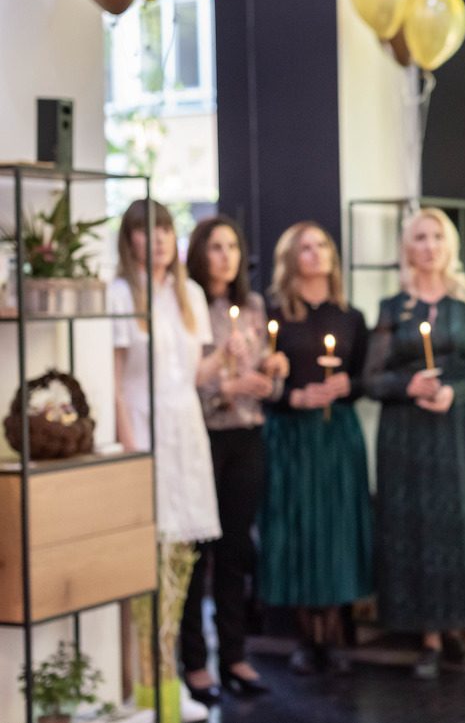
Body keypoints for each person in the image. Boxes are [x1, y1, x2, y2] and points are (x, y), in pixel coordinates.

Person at [364, 207, 465, 679]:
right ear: (408, 247)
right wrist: (407, 385)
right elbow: (372, 378)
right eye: (420, 238)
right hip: (408, 435)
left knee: (460, 526)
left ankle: (458, 629)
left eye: (437, 237)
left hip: (462, 430)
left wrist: (453, 392)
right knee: (415, 527)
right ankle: (426, 635)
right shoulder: (393, 308)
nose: (429, 246)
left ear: (450, 246)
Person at [110, 199, 223, 723]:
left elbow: (195, 375)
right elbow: (114, 378)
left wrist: (230, 357)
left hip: (186, 431)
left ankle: (170, 681)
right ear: (129, 238)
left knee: (182, 556)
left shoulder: (190, 294)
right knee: (147, 554)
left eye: (164, 229)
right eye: (145, 230)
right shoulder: (119, 293)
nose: (156, 239)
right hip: (142, 427)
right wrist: (131, 446)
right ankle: (144, 685)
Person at [180, 215, 289, 702]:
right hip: (203, 436)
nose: (225, 257)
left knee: (236, 549)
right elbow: (180, 381)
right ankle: (194, 661)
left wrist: (272, 374)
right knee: (198, 550)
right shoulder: (188, 305)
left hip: (247, 434)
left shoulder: (253, 306)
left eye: (232, 247)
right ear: (199, 254)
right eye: (215, 247)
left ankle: (235, 655)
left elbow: (268, 383)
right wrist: (226, 385)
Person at [258, 221, 373, 675]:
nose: (316, 253)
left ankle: (339, 632)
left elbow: (365, 377)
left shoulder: (351, 316)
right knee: (298, 528)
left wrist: (348, 385)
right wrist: (293, 396)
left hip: (336, 433)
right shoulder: (275, 316)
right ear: (290, 259)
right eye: (305, 247)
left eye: (321, 245)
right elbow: (263, 384)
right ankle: (306, 637)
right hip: (291, 434)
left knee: (337, 527)